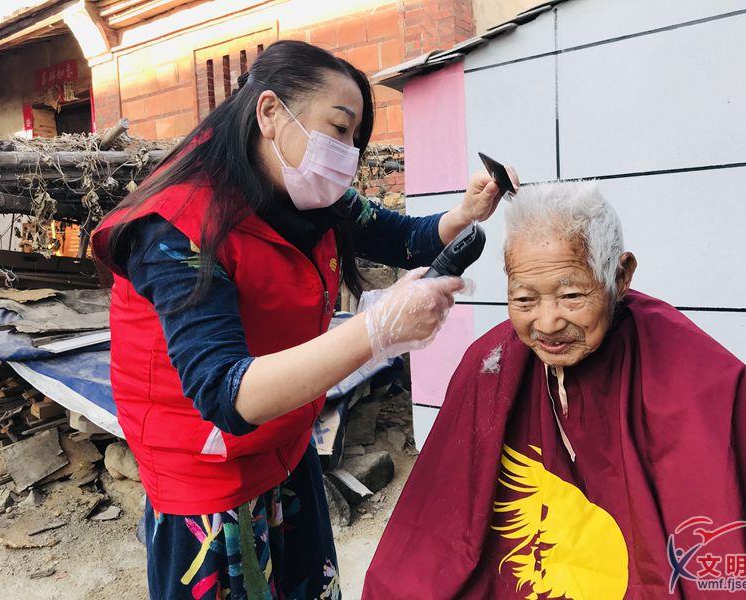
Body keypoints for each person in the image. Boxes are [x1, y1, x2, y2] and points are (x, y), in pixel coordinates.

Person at [91, 40, 516, 599]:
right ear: (269, 111)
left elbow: (403, 237)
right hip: (209, 481)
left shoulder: (315, 195)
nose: (347, 152)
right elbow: (226, 392)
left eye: (355, 137)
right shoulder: (175, 227)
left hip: (287, 446)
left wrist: (465, 213)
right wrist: (376, 330)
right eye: (338, 128)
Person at [364, 181, 746, 599]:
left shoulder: (701, 382)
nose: (547, 322)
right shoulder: (490, 364)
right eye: (524, 299)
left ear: (620, 275)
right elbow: (435, 532)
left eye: (571, 295)